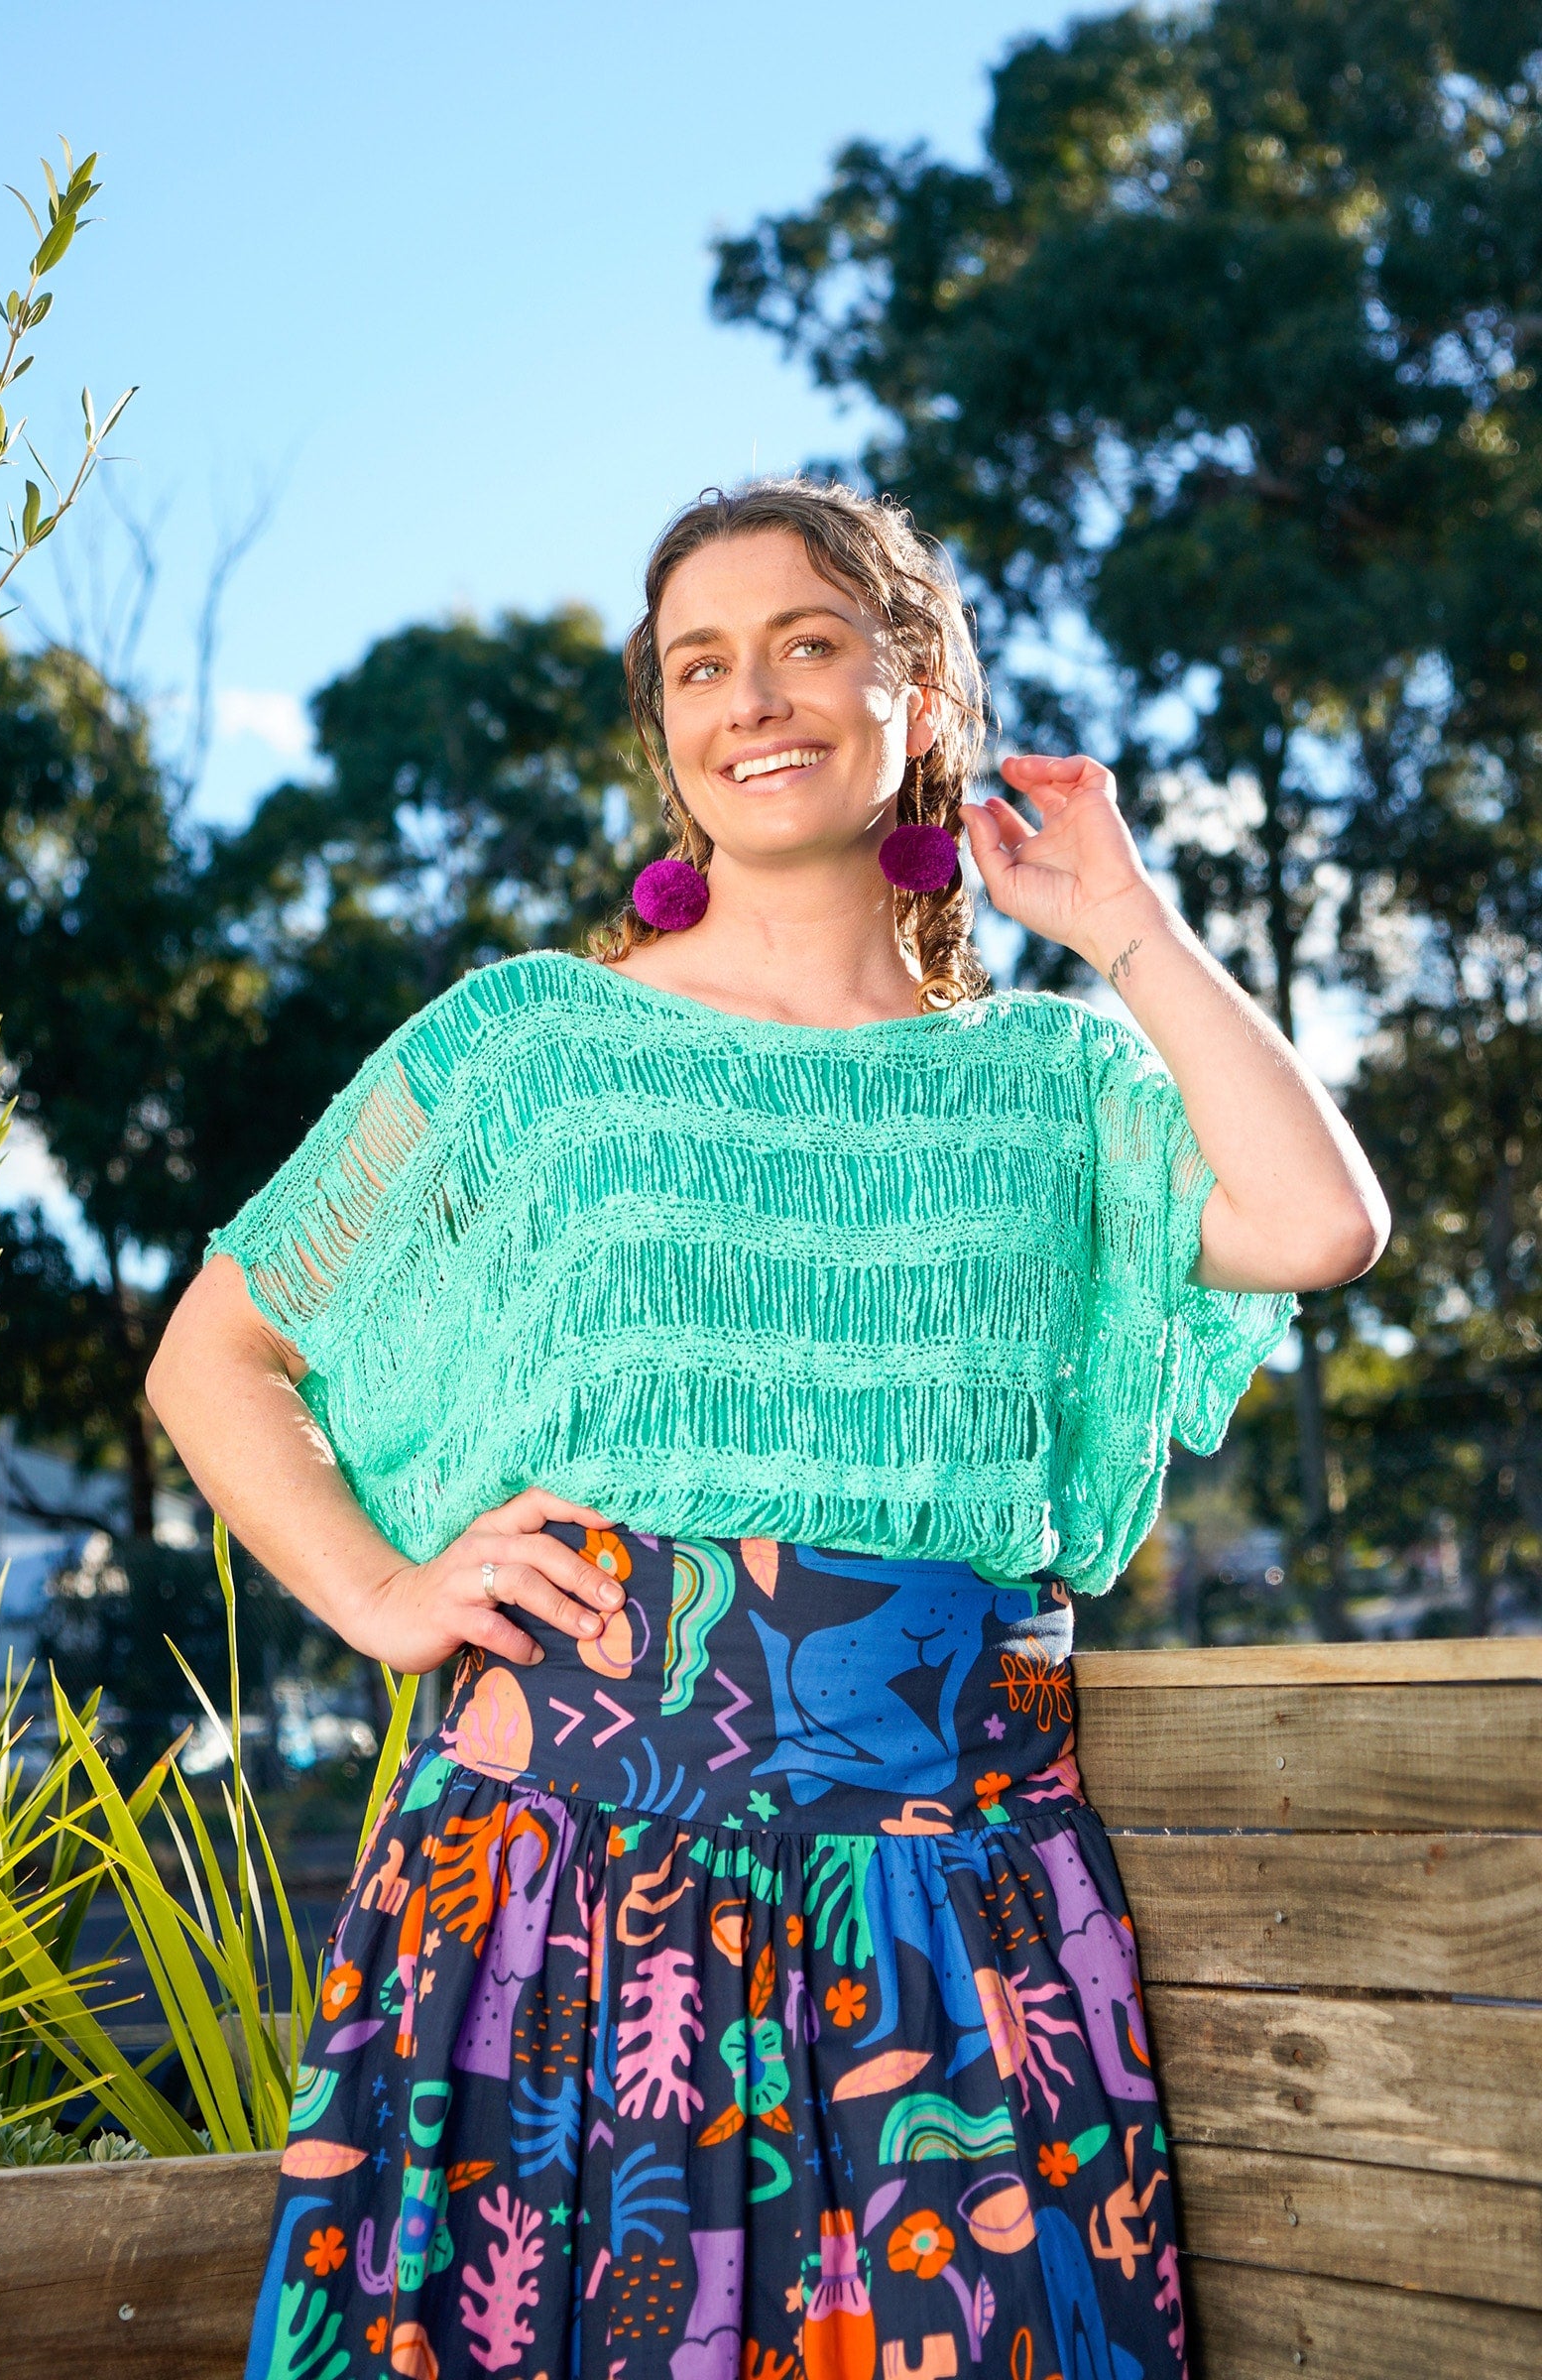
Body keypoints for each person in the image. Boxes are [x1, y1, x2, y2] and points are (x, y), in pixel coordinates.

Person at [149, 478, 1386, 2380]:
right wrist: (386, 1595)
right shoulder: (525, 1048)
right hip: (551, 1890)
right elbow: (213, 1356)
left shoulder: (1053, 1080)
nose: (752, 698)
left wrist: (1125, 926)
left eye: (807, 642)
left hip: (949, 1905)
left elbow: (1318, 1227)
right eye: (699, 665)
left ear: (917, 688)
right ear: (665, 727)